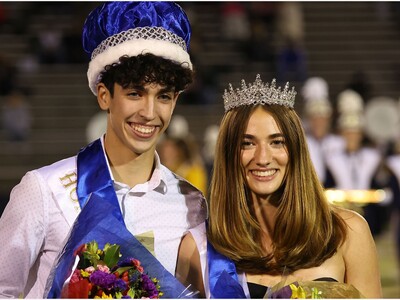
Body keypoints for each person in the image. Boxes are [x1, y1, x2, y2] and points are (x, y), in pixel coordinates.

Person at [0, 2, 207, 298]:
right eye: (135, 93)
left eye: (163, 96)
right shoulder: (43, 190)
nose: (149, 112)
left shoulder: (191, 204)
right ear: (104, 96)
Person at [176, 75, 382, 298]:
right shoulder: (199, 249)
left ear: (295, 150)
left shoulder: (348, 233)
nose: (263, 158)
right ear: (228, 155)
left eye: (277, 142)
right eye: (247, 143)